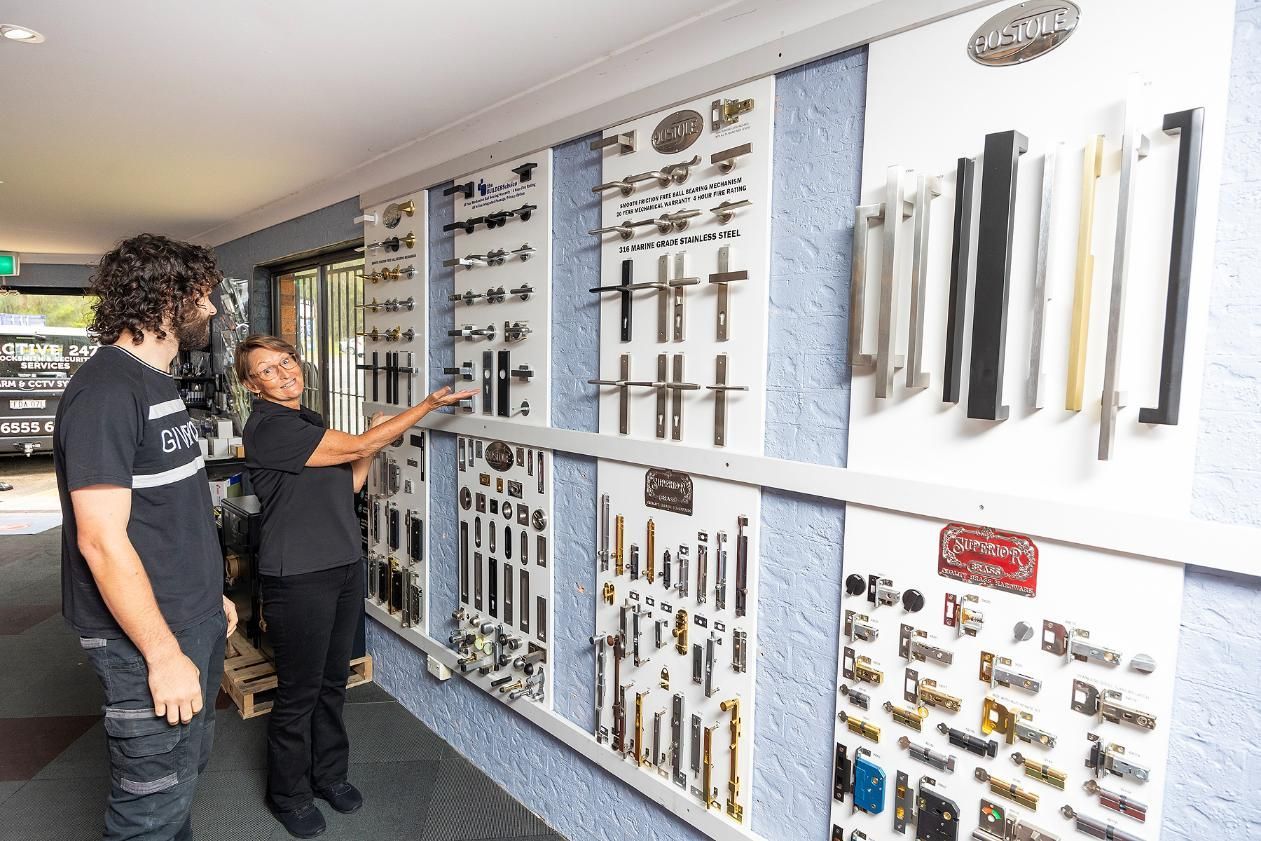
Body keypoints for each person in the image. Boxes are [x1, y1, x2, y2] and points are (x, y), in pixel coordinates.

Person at [234, 334, 474, 839]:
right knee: (298, 693)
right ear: (251, 384)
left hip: (343, 564)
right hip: (296, 575)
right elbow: (363, 444)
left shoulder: (308, 421)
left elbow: (349, 485)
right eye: (267, 371)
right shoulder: (268, 428)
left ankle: (329, 776)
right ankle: (289, 795)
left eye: (287, 362)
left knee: (332, 682)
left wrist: (371, 444)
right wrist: (427, 405)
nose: (283, 374)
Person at [54, 233, 237, 841]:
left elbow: (169, 515)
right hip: (147, 637)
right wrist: (161, 655)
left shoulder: (157, 381)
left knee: (181, 779)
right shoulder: (107, 392)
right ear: (167, 296)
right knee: (148, 808)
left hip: (194, 615)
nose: (210, 310)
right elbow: (101, 542)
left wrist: (212, 597)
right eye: (203, 296)